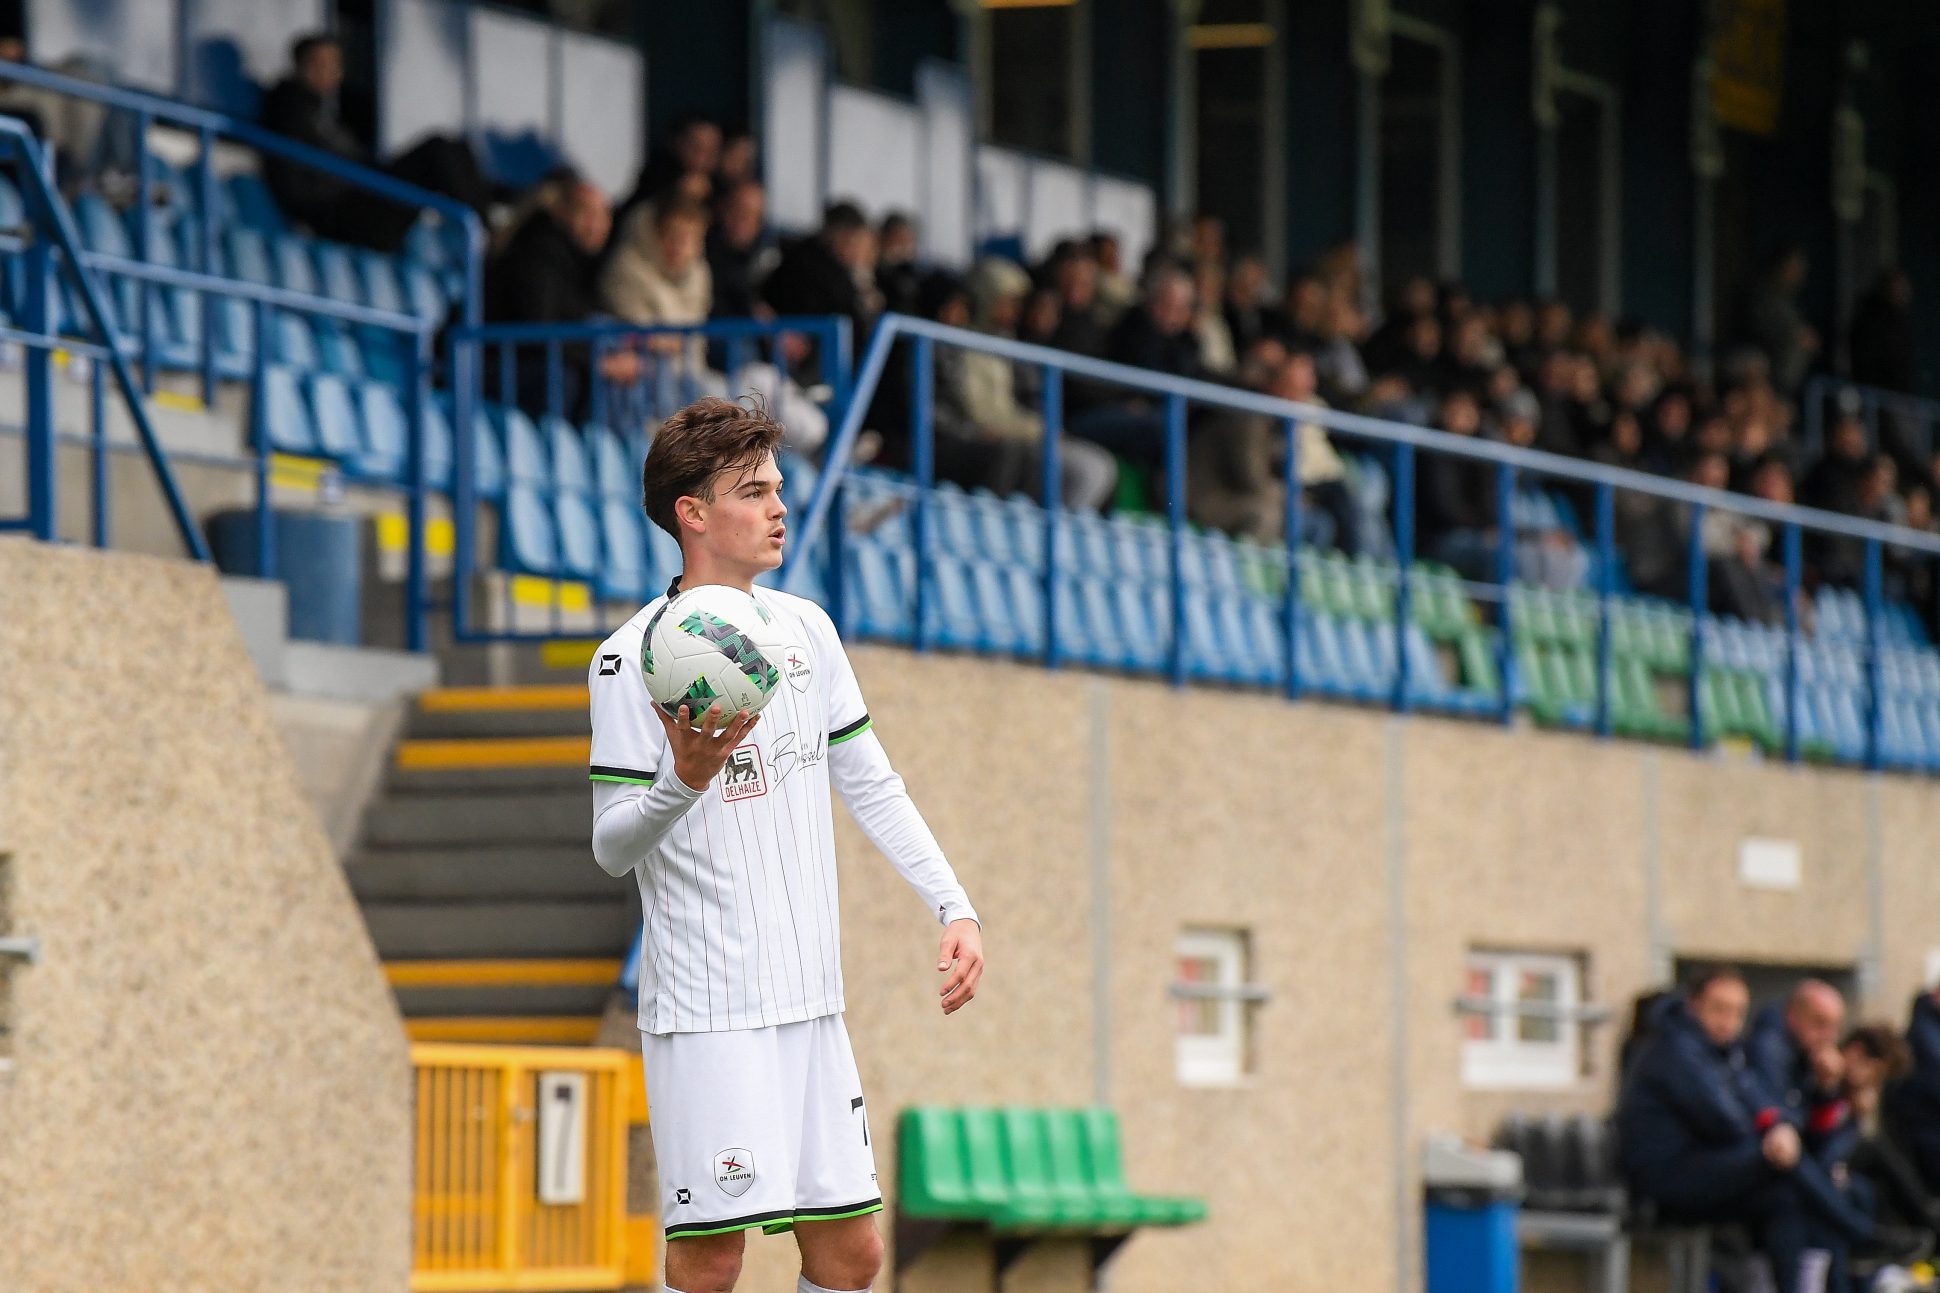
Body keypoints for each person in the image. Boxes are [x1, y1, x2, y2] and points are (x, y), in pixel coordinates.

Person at [587, 397, 985, 1293]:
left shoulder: (808, 629)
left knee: (853, 1253)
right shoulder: (628, 656)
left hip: (811, 1000)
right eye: (754, 491)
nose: (780, 507)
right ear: (692, 512)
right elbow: (612, 845)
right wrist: (684, 778)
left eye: (778, 487)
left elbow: (872, 781)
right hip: (708, 1008)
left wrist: (953, 903)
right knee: (712, 1257)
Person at [1617, 966, 1906, 1292]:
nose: (1729, 1021)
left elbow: (1761, 1102)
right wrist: (1776, 1136)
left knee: (1786, 1196)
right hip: (1664, 1175)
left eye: (1737, 1012)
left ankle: (1825, 1269)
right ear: (1693, 1005)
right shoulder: (1676, 1049)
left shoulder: (1724, 1051)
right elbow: (1724, 1121)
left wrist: (1794, 1115)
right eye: (1719, 1009)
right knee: (1779, 1163)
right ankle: (1862, 1236)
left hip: (1701, 1164)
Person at [258, 32, 489, 250]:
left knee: (457, 147)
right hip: (341, 215)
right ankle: (487, 233)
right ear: (299, 66)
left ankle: (486, 229)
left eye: (334, 65)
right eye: (318, 63)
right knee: (436, 150)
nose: (328, 72)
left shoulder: (326, 115)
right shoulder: (287, 108)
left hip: (359, 198)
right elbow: (297, 185)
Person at [956, 258, 1116, 510]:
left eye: (1016, 305)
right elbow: (981, 414)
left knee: (1098, 466)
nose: (1012, 312)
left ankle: (1062, 527)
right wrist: (1035, 430)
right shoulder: (957, 343)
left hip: (1026, 433)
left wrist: (1040, 428)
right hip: (997, 438)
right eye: (1006, 302)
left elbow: (1031, 396)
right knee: (1026, 457)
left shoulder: (1014, 344)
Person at [483, 180, 640, 417]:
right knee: (566, 378)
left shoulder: (579, 262)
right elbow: (537, 330)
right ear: (562, 213)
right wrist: (599, 363)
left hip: (525, 362)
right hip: (494, 363)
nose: (596, 224)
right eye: (586, 213)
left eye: (603, 215)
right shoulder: (538, 251)